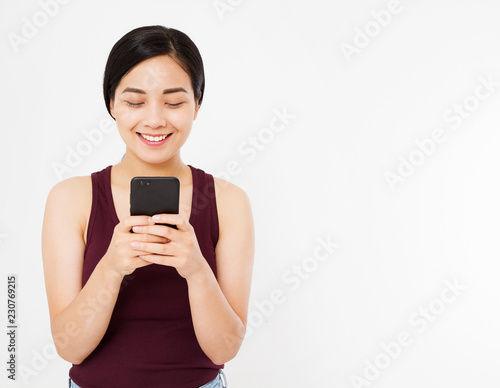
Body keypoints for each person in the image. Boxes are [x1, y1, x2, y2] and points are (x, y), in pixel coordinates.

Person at [41, 25, 254, 388]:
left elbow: (225, 350)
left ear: (197, 105)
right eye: (135, 102)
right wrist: (111, 268)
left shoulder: (229, 202)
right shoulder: (70, 199)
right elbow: (69, 347)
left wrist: (196, 270)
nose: (155, 119)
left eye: (173, 102)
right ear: (111, 104)